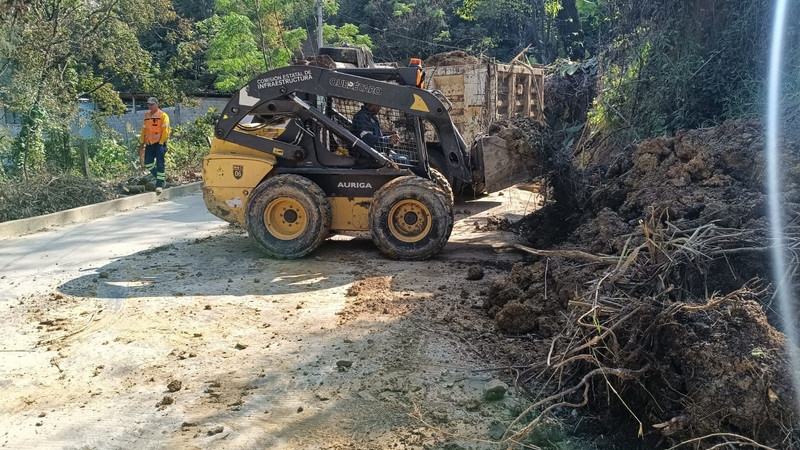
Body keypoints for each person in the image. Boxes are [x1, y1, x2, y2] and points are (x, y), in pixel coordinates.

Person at [138, 97, 171, 193]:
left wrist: (161, 143)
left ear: (157, 104)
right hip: (149, 143)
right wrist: (142, 142)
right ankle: (161, 178)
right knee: (148, 163)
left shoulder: (163, 115)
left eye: (152, 104)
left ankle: (159, 185)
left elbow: (166, 130)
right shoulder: (147, 115)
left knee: (160, 164)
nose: (150, 106)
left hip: (159, 144)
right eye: (149, 104)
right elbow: (144, 130)